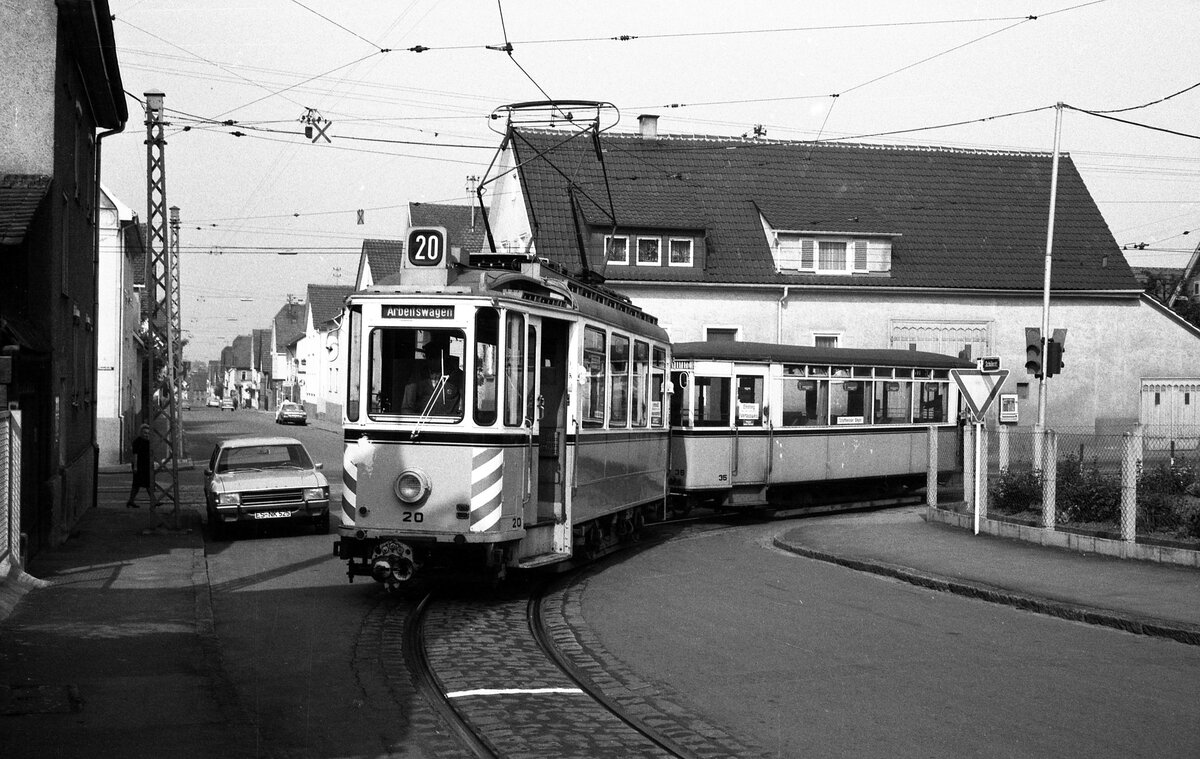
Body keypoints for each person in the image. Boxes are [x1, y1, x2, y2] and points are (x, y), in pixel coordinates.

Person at [126, 424, 153, 509]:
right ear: (141, 433)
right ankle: (154, 501)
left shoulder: (148, 442)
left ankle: (131, 501)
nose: (146, 435)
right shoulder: (137, 442)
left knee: (137, 485)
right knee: (147, 484)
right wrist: (135, 467)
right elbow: (135, 455)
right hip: (139, 466)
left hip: (145, 465)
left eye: (148, 433)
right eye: (145, 433)